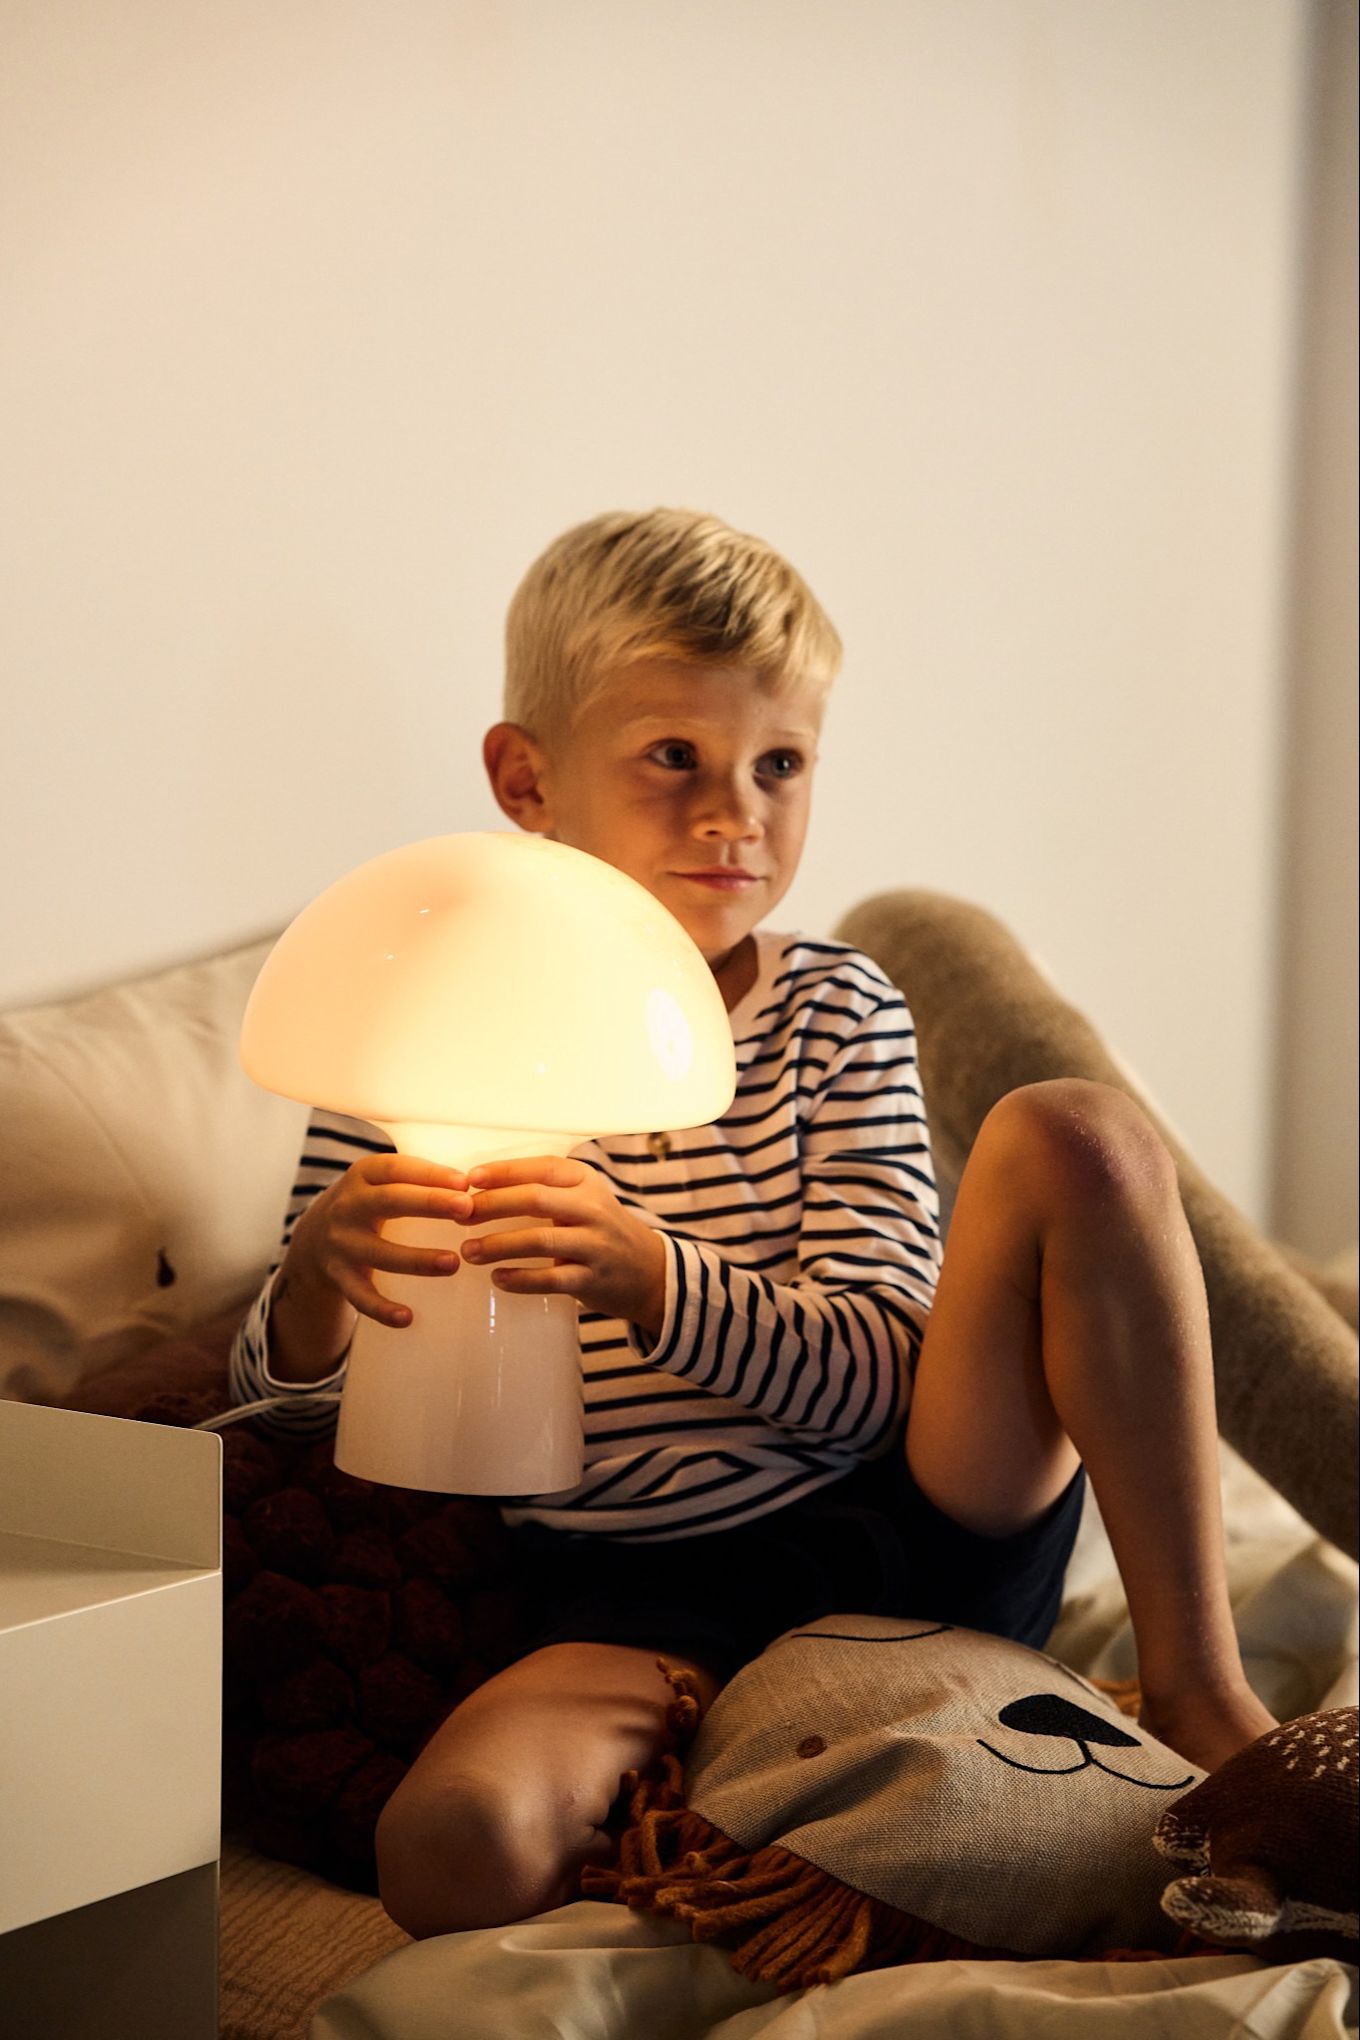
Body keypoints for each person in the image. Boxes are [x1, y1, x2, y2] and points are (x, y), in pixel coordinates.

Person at [229, 507, 1275, 1940]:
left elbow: (873, 1379)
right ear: (525, 778)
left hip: (921, 1513)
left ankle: (1202, 1685)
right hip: (631, 1592)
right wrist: (314, 1283)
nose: (738, 813)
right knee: (451, 1846)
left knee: (1074, 1134)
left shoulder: (834, 1010)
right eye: (675, 759)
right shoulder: (426, 1026)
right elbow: (288, 1424)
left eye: (780, 764)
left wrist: (652, 1277)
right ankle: (724, 1793)